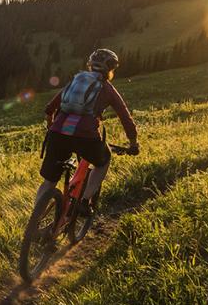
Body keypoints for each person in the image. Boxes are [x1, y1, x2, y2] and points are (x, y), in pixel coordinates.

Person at [37, 48, 139, 220]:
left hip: (58, 133)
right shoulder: (107, 89)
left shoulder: (76, 80)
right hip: (85, 136)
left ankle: (34, 224)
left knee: (49, 181)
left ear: (90, 65)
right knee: (103, 160)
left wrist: (52, 126)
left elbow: (50, 108)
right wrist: (133, 142)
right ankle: (84, 202)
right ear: (110, 70)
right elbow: (125, 116)